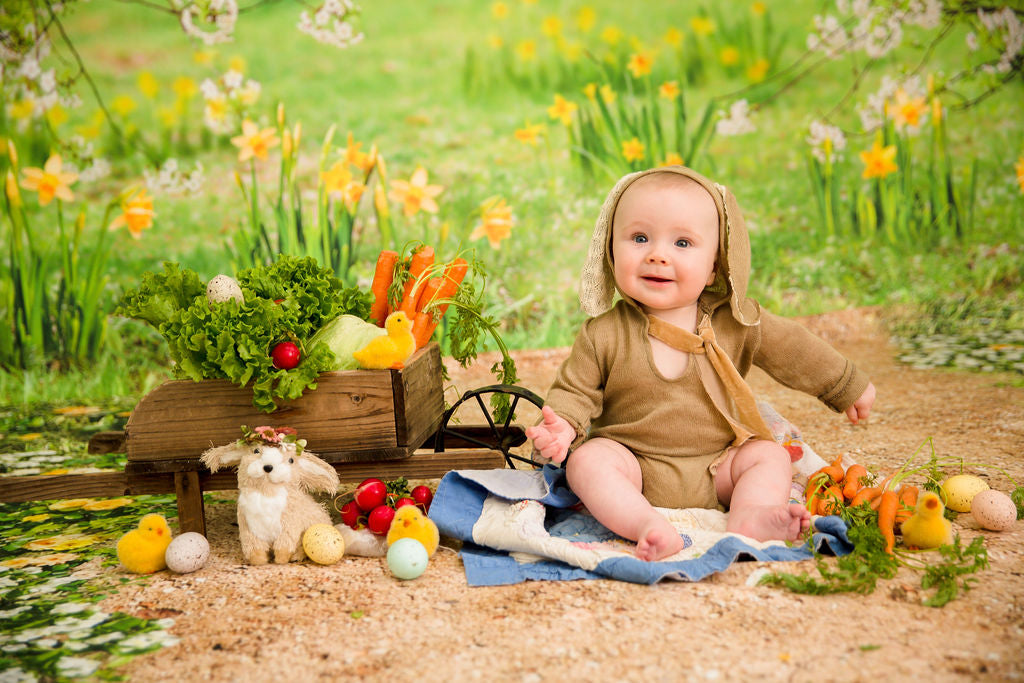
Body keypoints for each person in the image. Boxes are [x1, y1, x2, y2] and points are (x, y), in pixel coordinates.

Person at [526, 166, 876, 562]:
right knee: (588, 462)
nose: (657, 254)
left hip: (720, 465)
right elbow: (574, 391)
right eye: (639, 238)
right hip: (635, 464)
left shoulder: (737, 322)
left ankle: (751, 516)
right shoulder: (604, 333)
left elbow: (795, 350)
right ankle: (645, 525)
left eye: (682, 242)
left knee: (769, 456)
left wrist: (846, 384)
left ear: (715, 265)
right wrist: (563, 428)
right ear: (610, 250)